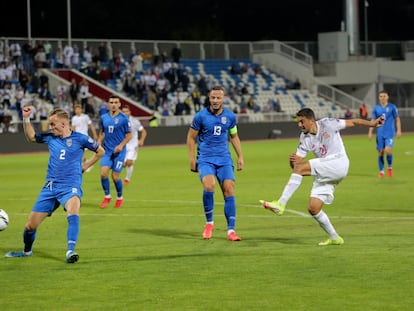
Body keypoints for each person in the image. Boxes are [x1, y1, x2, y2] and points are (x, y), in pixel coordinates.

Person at [260, 108, 385, 246]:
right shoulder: (304, 138)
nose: (299, 125)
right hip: (327, 170)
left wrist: (372, 124)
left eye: (302, 121)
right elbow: (296, 167)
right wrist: (293, 161)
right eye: (298, 122)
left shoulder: (328, 124)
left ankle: (281, 203)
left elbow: (353, 122)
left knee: (301, 170)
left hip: (339, 162)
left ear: (311, 120)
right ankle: (334, 238)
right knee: (313, 208)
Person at [5, 107, 104, 263]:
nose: (50, 128)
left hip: (70, 186)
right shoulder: (50, 137)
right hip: (50, 187)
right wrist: (26, 118)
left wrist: (85, 166)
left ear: (64, 124)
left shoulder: (81, 139)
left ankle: (71, 251)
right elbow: (31, 137)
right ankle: (26, 252)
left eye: (52, 124)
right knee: (30, 226)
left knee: (73, 212)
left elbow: (100, 151)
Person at [186, 85, 244, 242]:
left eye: (219, 98)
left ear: (223, 99)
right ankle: (209, 223)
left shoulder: (230, 117)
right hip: (205, 159)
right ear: (209, 98)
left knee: (229, 189)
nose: (216, 100)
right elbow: (191, 137)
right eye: (213, 98)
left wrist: (240, 156)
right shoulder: (200, 116)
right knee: (209, 185)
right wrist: (192, 159)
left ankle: (231, 231)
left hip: (224, 159)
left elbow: (234, 136)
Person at [98, 95, 132, 209]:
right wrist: (98, 143)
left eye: (115, 102)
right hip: (107, 151)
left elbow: (129, 135)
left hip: (119, 152)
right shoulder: (103, 117)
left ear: (119, 104)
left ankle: (119, 198)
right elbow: (102, 133)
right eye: (111, 102)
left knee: (115, 177)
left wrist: (121, 145)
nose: (113, 104)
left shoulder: (124, 118)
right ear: (108, 104)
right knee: (103, 173)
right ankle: (107, 196)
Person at [368, 90, 402, 178]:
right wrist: (370, 132)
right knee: (380, 152)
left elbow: (397, 119)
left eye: (384, 96)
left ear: (387, 97)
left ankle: (390, 167)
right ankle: (381, 171)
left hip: (390, 133)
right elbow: (373, 121)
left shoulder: (392, 107)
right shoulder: (376, 108)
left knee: (388, 150)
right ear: (379, 98)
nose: (382, 98)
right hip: (380, 133)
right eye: (381, 96)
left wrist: (399, 130)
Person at [121, 105, 147, 184]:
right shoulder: (118, 121)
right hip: (122, 145)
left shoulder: (135, 121)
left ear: (130, 112)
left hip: (133, 145)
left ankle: (127, 179)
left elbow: (144, 131)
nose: (125, 113)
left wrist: (141, 140)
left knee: (129, 162)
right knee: (123, 164)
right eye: (123, 112)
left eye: (127, 111)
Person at [71, 103, 98, 168]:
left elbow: (91, 126)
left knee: (80, 153)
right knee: (78, 153)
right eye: (76, 109)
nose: (77, 110)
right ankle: (87, 164)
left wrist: (94, 134)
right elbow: (73, 128)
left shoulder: (85, 117)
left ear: (81, 110)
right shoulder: (74, 118)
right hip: (77, 138)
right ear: (75, 110)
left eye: (79, 109)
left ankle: (86, 164)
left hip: (85, 137)